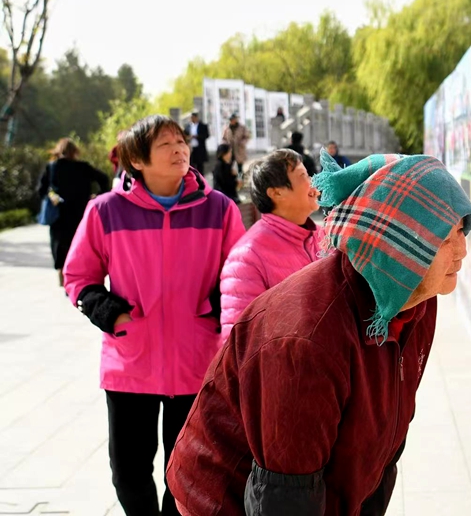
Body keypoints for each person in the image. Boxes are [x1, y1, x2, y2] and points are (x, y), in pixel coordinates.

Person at [167, 149, 471, 515]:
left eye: (461, 230)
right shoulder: (308, 339)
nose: (462, 250)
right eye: (444, 238)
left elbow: (386, 441)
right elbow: (284, 499)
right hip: (226, 498)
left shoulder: (416, 301)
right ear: (398, 249)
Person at [62, 114, 246, 516]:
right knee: (127, 474)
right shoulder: (105, 211)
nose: (179, 150)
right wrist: (113, 316)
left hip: (198, 361)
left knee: (187, 473)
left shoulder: (219, 209)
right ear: (137, 160)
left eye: (181, 142)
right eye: (165, 144)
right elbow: (78, 276)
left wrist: (212, 312)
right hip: (131, 364)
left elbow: (238, 274)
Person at [219, 149, 323, 337]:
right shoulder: (246, 257)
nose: (313, 182)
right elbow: (239, 342)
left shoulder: (324, 237)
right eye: (303, 176)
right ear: (276, 193)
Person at [38, 138, 110, 286]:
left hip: (59, 213)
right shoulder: (83, 167)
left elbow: (41, 190)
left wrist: (51, 196)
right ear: (75, 151)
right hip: (80, 212)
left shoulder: (52, 167)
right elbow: (104, 179)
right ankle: (77, 275)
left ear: (58, 150)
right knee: (79, 243)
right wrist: (98, 196)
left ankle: (62, 271)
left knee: (59, 243)